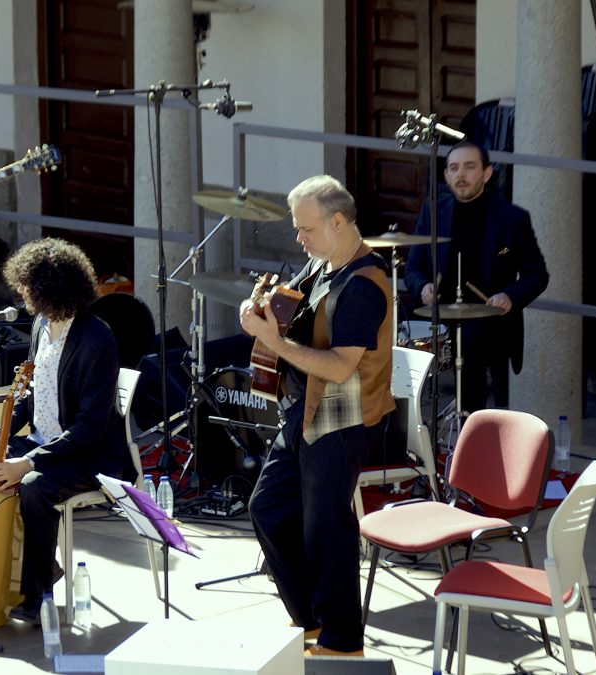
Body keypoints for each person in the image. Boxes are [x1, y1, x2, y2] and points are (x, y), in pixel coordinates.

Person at [239, 175, 393, 657]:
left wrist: (276, 342)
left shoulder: (364, 284)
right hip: (302, 410)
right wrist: (261, 309)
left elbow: (342, 364)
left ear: (338, 222)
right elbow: (290, 308)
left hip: (343, 420)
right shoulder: (322, 264)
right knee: (267, 508)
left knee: (326, 525)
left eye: (306, 229)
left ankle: (342, 640)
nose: (299, 239)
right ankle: (310, 619)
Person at [0, 238, 134, 624]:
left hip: (85, 454)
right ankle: (25, 561)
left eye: (28, 285)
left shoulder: (97, 339)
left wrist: (25, 462)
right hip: (37, 444)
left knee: (33, 487)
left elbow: (89, 428)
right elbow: (27, 395)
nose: (22, 292)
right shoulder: (39, 325)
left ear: (51, 287)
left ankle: (38, 594)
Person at [405, 141, 549, 411]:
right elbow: (412, 269)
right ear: (446, 175)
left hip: (493, 326)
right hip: (444, 322)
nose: (461, 175)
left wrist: (509, 295)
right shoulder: (433, 213)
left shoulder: (512, 218)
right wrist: (423, 287)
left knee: (486, 394)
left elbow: (537, 275)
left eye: (469, 167)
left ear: (486, 173)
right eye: (454, 168)